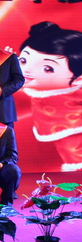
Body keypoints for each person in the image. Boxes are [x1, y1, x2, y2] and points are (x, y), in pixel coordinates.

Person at [18, 22, 82, 172]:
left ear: (79, 78)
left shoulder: (71, 111)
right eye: (23, 60)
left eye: (48, 68)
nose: (26, 70)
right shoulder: (48, 100)